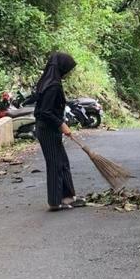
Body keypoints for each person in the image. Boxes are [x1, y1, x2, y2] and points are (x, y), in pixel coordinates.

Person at [33, 52, 85, 211]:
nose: (68, 73)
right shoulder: (53, 85)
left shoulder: (47, 81)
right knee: (55, 164)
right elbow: (44, 112)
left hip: (49, 128)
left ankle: (68, 197)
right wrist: (61, 124)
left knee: (62, 162)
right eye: (68, 69)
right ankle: (55, 201)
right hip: (47, 129)